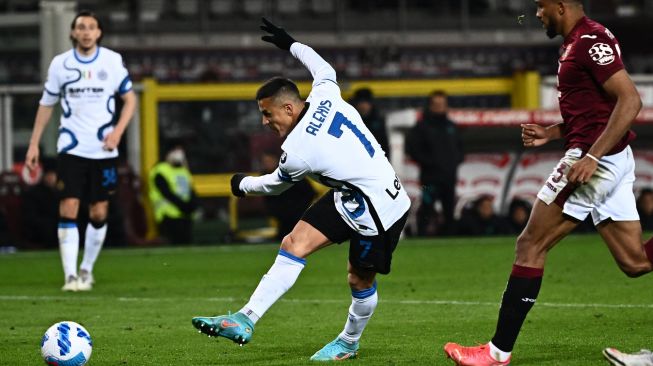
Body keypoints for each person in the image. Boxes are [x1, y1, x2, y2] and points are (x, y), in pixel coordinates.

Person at [444, 1, 653, 365]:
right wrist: (552, 132)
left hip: (594, 161)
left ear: (561, 5)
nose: (537, 13)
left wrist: (590, 156)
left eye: (541, 6)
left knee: (530, 244)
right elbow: (594, 111)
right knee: (634, 261)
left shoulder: (590, 40)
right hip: (608, 157)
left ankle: (496, 353)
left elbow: (630, 100)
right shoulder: (577, 43)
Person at [191, 18, 410, 361]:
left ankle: (348, 343)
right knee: (293, 243)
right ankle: (245, 318)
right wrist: (289, 43)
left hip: (380, 208)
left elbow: (274, 186)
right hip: (350, 194)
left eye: (268, 114)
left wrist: (241, 184)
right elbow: (321, 65)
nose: (265, 122)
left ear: (289, 108)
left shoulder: (299, 151)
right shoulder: (326, 91)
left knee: (359, 280)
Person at [24, 10, 136, 291]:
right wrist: (34, 143)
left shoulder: (111, 61)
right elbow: (46, 104)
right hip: (71, 148)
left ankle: (86, 269)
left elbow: (131, 99)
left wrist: (118, 132)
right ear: (73, 32)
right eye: (81, 27)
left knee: (99, 213)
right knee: (69, 206)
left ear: (99, 32)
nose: (86, 32)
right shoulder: (60, 64)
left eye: (91, 27)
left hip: (103, 150)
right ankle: (70, 276)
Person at [406, 90, 463, 236]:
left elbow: (460, 148)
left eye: (442, 104)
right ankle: (422, 239)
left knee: (449, 210)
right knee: (426, 209)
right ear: (430, 106)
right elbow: (412, 149)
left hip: (449, 177)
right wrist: (431, 163)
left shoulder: (451, 126)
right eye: (436, 104)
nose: (440, 107)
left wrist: (454, 161)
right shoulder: (421, 127)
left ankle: (451, 241)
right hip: (429, 178)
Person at [260, 150, 316, 240]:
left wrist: (300, 208)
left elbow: (309, 192)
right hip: (282, 216)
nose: (267, 164)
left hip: (297, 214)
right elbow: (267, 198)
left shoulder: (290, 173)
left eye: (270, 161)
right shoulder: (265, 176)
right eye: (265, 162)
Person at [148, 143, 198, 244]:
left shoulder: (183, 170)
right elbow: (166, 193)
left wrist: (192, 205)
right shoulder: (160, 170)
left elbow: (190, 190)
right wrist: (183, 206)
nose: (179, 154)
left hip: (186, 216)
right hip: (169, 217)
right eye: (175, 150)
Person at [21, 157, 59, 248]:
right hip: (40, 230)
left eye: (53, 174)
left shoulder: (63, 192)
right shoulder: (33, 193)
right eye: (48, 174)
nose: (50, 177)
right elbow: (30, 217)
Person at [350, 88, 390, 159]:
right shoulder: (351, 121)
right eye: (360, 102)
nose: (363, 106)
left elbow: (384, 145)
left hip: (375, 160)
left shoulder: (378, 121)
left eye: (366, 102)